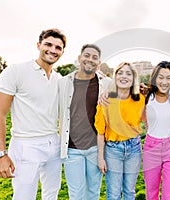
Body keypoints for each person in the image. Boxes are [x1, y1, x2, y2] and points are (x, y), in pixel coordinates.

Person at [0, 28, 66, 199]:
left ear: (62, 52)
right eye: (48, 44)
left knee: (51, 194)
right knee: (24, 196)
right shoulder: (16, 71)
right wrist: (0, 154)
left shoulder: (59, 79)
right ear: (38, 45)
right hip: (26, 144)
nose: (52, 50)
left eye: (58, 47)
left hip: (53, 143)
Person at [58, 44, 110, 199]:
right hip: (72, 150)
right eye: (87, 56)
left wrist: (141, 89)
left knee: (93, 192)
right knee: (76, 194)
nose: (90, 60)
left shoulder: (106, 83)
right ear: (79, 58)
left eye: (95, 58)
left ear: (99, 63)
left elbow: (127, 87)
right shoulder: (64, 82)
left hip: (95, 149)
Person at [95, 62, 145, 200]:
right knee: (114, 193)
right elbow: (100, 133)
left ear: (134, 78)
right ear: (115, 77)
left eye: (129, 74)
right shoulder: (106, 100)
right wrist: (101, 158)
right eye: (120, 73)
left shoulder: (140, 99)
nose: (124, 76)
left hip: (134, 148)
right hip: (113, 150)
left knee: (129, 191)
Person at [142, 61, 170, 200]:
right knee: (151, 191)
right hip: (151, 148)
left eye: (169, 78)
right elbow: (142, 118)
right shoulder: (146, 96)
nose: (164, 82)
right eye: (160, 77)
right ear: (154, 78)